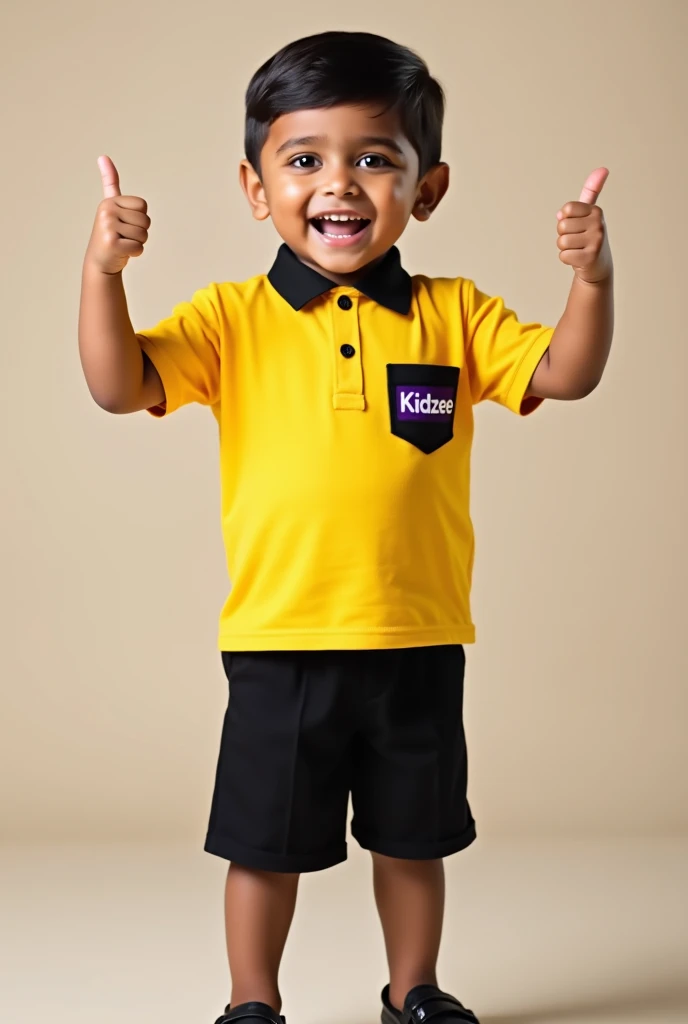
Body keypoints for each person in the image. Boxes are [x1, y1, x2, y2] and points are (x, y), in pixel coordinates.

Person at [78, 29, 614, 1024]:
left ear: (428, 187)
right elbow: (118, 386)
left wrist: (591, 281)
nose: (341, 184)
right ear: (255, 186)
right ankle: (251, 1000)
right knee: (262, 842)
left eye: (375, 158)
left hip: (416, 632)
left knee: (415, 839)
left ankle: (413, 988)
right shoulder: (230, 320)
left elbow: (563, 375)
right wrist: (104, 270)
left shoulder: (452, 316)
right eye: (305, 159)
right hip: (280, 638)